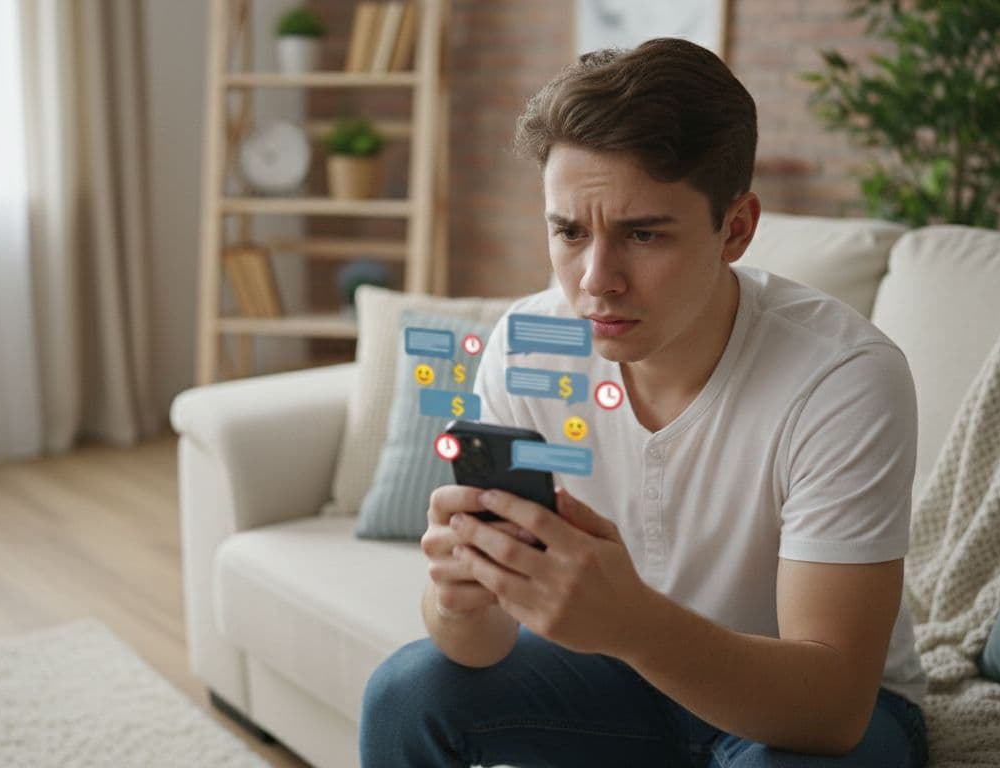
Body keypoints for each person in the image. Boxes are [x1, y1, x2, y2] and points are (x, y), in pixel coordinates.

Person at [360, 39, 929, 767]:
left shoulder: (841, 379)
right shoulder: (527, 347)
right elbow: (479, 645)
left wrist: (632, 626)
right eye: (569, 232)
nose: (597, 280)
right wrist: (457, 600)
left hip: (813, 709)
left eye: (643, 234)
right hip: (625, 679)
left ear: (737, 228)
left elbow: (834, 707)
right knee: (406, 693)